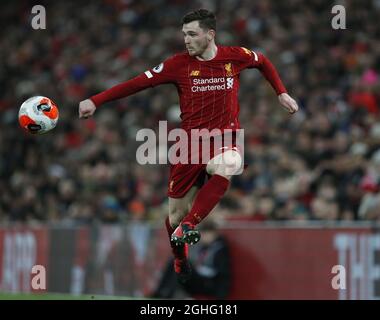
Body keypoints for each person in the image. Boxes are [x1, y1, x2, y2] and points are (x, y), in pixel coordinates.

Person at [78, 9, 299, 282]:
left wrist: (282, 92)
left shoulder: (234, 57)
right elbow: (136, 84)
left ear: (210, 34)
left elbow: (263, 61)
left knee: (229, 163)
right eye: (184, 34)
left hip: (224, 138)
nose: (186, 40)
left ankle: (190, 225)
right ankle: (180, 257)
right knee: (173, 217)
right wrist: (95, 100)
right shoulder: (178, 65)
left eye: (192, 34)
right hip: (189, 145)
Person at [150, 220, 231, 299]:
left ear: (213, 233)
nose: (203, 237)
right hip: (200, 279)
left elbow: (221, 274)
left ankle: (166, 295)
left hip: (209, 284)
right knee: (176, 261)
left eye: (206, 233)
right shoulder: (204, 247)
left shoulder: (220, 249)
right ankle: (160, 292)